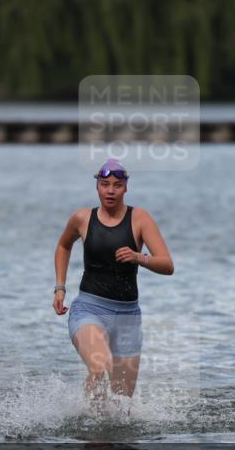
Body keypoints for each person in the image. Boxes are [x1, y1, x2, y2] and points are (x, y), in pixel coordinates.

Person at [53, 159, 174, 408]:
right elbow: (64, 245)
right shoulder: (82, 218)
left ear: (126, 188)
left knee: (122, 404)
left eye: (117, 185)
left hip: (128, 316)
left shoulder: (140, 218)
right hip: (89, 309)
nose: (110, 190)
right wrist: (60, 287)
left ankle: (108, 438)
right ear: (97, 186)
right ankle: (90, 422)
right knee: (99, 366)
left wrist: (139, 257)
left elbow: (168, 265)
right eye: (105, 184)